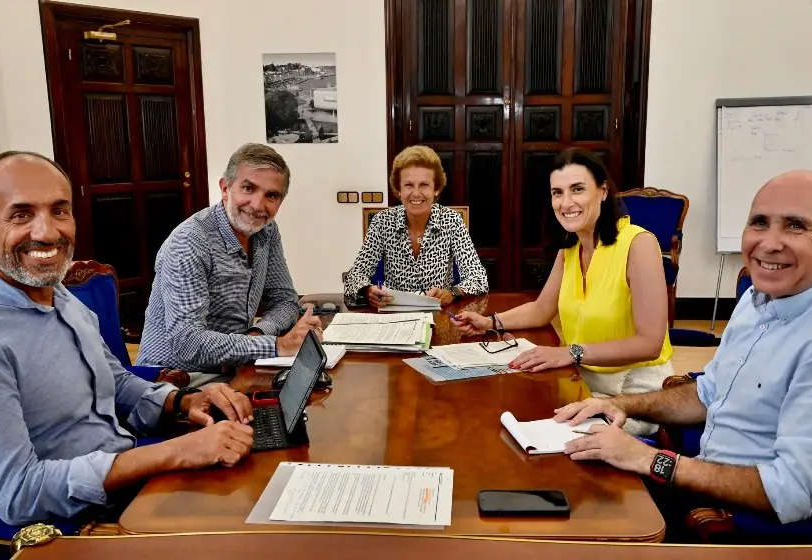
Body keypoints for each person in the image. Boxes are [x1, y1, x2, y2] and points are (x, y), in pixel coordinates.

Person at [554, 170, 812, 536]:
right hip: (703, 485)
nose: (769, 243)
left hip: (761, 532)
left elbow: (792, 493)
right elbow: (708, 393)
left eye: (796, 226)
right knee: (563, 481)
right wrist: (621, 405)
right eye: (760, 223)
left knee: (576, 527)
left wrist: (648, 459)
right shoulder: (758, 299)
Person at [0, 151, 256, 526]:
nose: (47, 232)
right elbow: (20, 494)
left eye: (59, 210)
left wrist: (183, 402)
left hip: (127, 486)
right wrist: (176, 452)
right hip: (64, 532)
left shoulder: (53, 291)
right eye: (21, 214)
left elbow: (112, 379)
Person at [453, 148, 673, 435]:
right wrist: (489, 322)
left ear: (603, 191)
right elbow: (541, 309)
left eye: (577, 189)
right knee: (502, 411)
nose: (566, 202)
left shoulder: (639, 244)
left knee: (542, 439)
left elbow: (650, 343)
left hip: (634, 393)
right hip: (581, 381)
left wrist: (571, 352)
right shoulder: (570, 247)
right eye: (557, 192)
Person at [137, 143, 322, 382]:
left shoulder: (267, 231)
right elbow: (188, 343)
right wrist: (276, 345)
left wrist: (257, 333)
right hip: (176, 379)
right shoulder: (190, 241)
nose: (257, 205)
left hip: (234, 368)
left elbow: (285, 301)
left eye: (271, 195)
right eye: (248, 188)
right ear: (225, 188)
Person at [343, 145, 488, 307]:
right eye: (409, 185)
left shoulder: (452, 221)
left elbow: (479, 278)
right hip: (394, 314)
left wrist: (452, 293)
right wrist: (368, 290)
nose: (416, 193)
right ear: (398, 190)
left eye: (424, 185)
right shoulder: (382, 222)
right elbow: (355, 276)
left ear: (436, 189)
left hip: (439, 316)